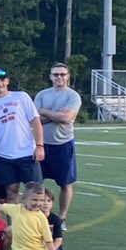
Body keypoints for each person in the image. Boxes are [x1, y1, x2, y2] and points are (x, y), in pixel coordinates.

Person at [0, 68, 45, 205]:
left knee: (36, 193)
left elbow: (35, 121)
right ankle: (13, 226)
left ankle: (38, 225)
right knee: (11, 193)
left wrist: (39, 146)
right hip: (4, 156)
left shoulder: (21, 96)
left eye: (2, 80)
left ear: (7, 81)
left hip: (27, 153)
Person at [34, 63, 81, 228]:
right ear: (50, 76)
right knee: (36, 183)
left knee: (65, 183)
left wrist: (46, 112)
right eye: (56, 74)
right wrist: (57, 115)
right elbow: (35, 120)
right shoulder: (42, 94)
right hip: (41, 144)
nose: (59, 77)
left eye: (62, 74)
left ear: (68, 76)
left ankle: (61, 218)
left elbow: (66, 119)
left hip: (63, 144)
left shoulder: (73, 96)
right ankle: (38, 217)